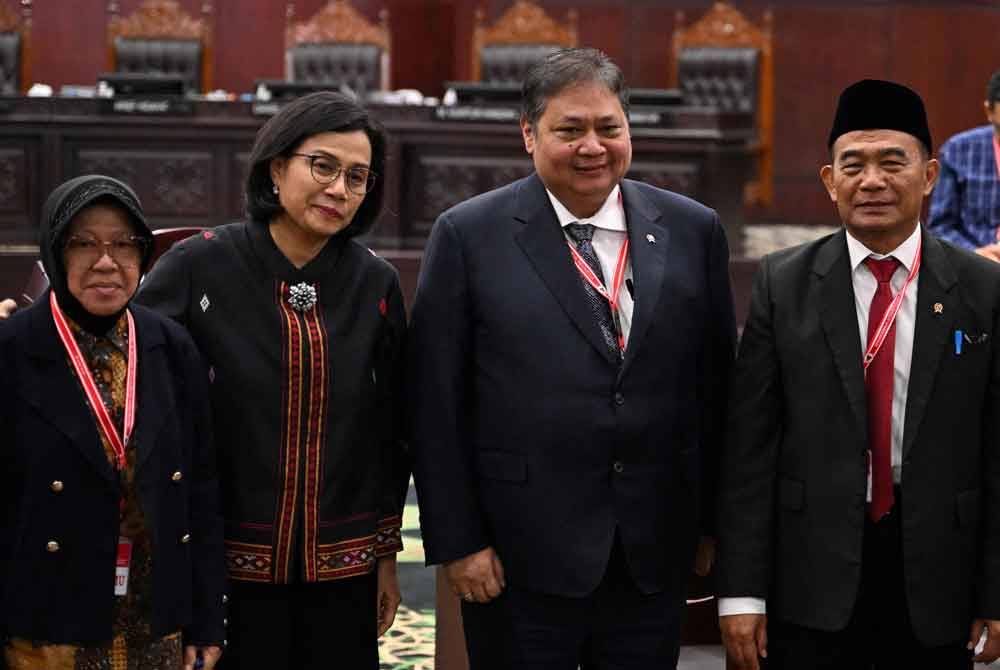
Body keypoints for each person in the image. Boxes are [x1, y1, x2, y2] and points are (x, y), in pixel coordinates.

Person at [407, 47, 736, 669]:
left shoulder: (694, 230)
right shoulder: (468, 234)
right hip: (516, 554)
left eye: (609, 128)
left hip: (652, 551)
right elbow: (435, 402)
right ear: (529, 134)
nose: (593, 146)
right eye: (570, 129)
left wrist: (712, 526)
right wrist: (459, 542)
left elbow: (716, 388)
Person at [716, 79, 1000, 670]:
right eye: (854, 165)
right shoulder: (783, 284)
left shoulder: (981, 289)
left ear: (928, 176)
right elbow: (749, 451)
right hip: (809, 577)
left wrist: (995, 594)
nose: (872, 181)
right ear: (829, 181)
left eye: (892, 162)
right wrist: (741, 592)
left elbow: (997, 452)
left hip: (938, 577)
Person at [133, 91, 408, 669]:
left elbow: (390, 429)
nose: (339, 190)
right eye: (323, 166)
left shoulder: (375, 283)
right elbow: (129, 368)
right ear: (277, 166)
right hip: (222, 560)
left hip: (344, 562)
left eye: (357, 177)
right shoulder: (199, 262)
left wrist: (385, 553)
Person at [0, 175, 226, 670]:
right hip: (46, 628)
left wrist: (206, 618)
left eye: (124, 244)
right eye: (84, 244)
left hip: (154, 619)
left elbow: (202, 493)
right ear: (55, 252)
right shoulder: (13, 348)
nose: (106, 262)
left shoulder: (170, 345)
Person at [928, 69, 1000, 259]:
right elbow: (940, 227)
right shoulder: (959, 150)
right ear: (989, 111)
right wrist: (974, 255)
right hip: (974, 266)